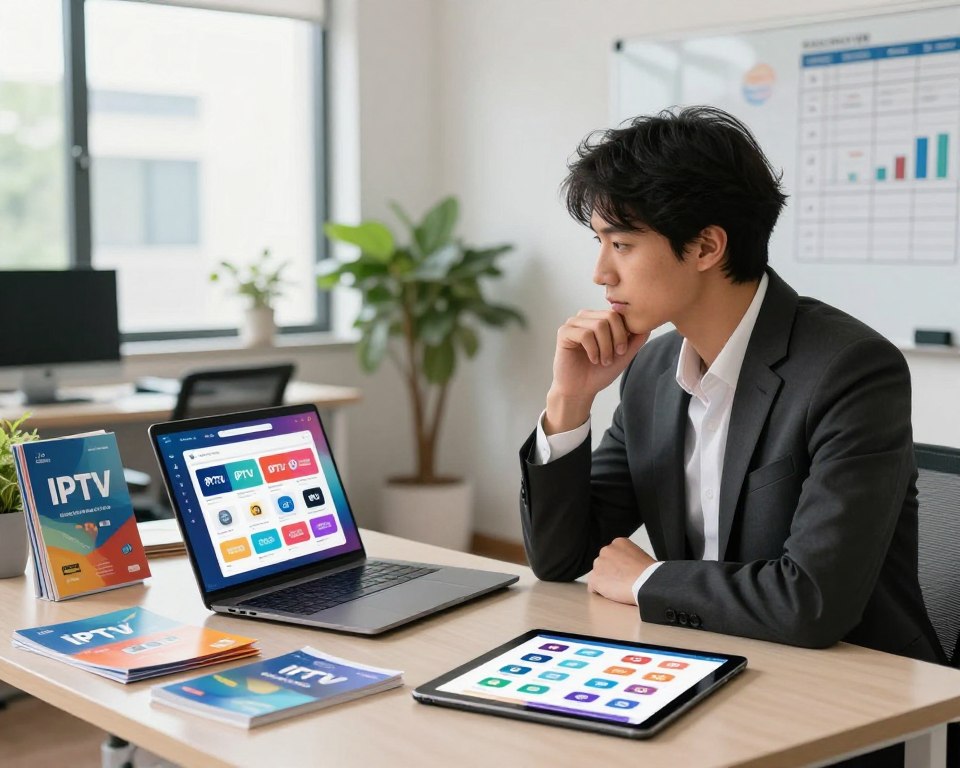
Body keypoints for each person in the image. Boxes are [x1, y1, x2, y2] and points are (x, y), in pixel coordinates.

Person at [518, 106, 943, 666]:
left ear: (706, 247)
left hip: (855, 688)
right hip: (704, 658)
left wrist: (650, 581)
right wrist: (569, 400)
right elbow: (560, 556)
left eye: (620, 244)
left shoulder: (851, 370)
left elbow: (811, 601)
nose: (601, 272)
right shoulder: (651, 371)